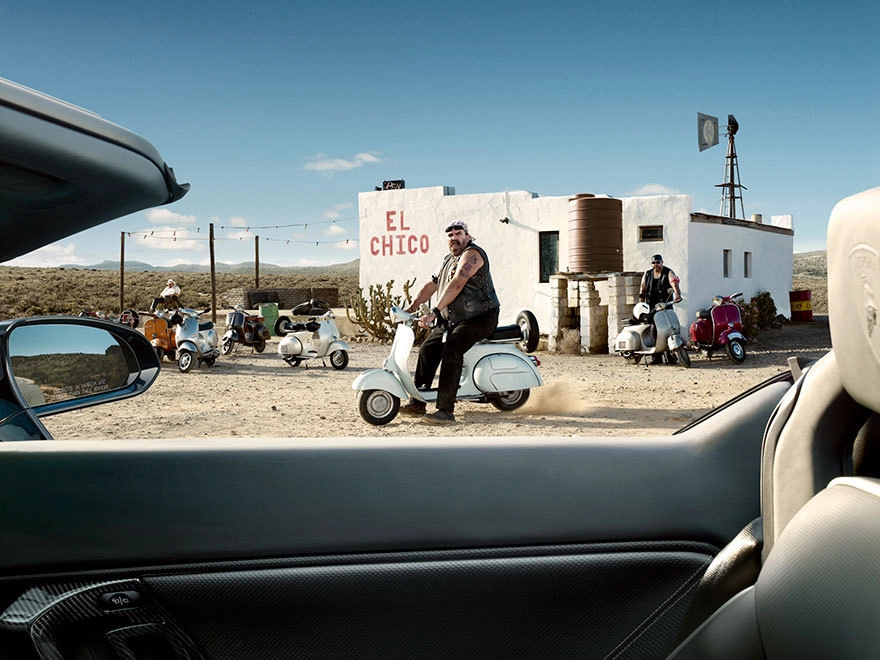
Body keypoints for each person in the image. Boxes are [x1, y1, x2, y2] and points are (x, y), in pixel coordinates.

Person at [400, 221, 500, 424]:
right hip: (454, 319)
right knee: (427, 349)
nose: (454, 237)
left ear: (468, 236)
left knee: (452, 349)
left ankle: (446, 411)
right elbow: (433, 284)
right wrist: (411, 307)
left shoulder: (472, 255)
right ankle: (418, 403)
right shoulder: (448, 259)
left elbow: (457, 284)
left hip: (480, 317)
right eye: (450, 235)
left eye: (458, 233)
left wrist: (435, 312)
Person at [639, 254, 682, 364]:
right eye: (653, 263)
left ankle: (671, 355)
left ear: (662, 262)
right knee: (654, 330)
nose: (656, 264)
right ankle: (656, 357)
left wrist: (677, 295)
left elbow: (674, 283)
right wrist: (641, 305)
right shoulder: (647, 274)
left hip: (665, 305)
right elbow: (642, 290)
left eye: (658, 262)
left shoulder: (668, 272)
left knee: (669, 329)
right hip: (652, 307)